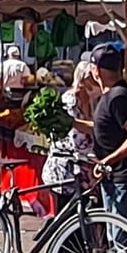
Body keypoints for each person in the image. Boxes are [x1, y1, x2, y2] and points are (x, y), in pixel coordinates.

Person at [89, 44, 127, 222]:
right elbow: (102, 127)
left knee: (121, 240)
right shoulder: (110, 95)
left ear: (96, 70)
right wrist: (72, 123)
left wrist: (108, 160)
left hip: (125, 178)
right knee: (114, 235)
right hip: (114, 177)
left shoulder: (118, 96)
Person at [42, 59, 100, 190]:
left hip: (85, 168)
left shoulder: (92, 100)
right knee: (68, 208)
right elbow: (75, 135)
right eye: (94, 80)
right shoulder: (70, 100)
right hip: (66, 169)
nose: (98, 83)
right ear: (84, 80)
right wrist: (100, 129)